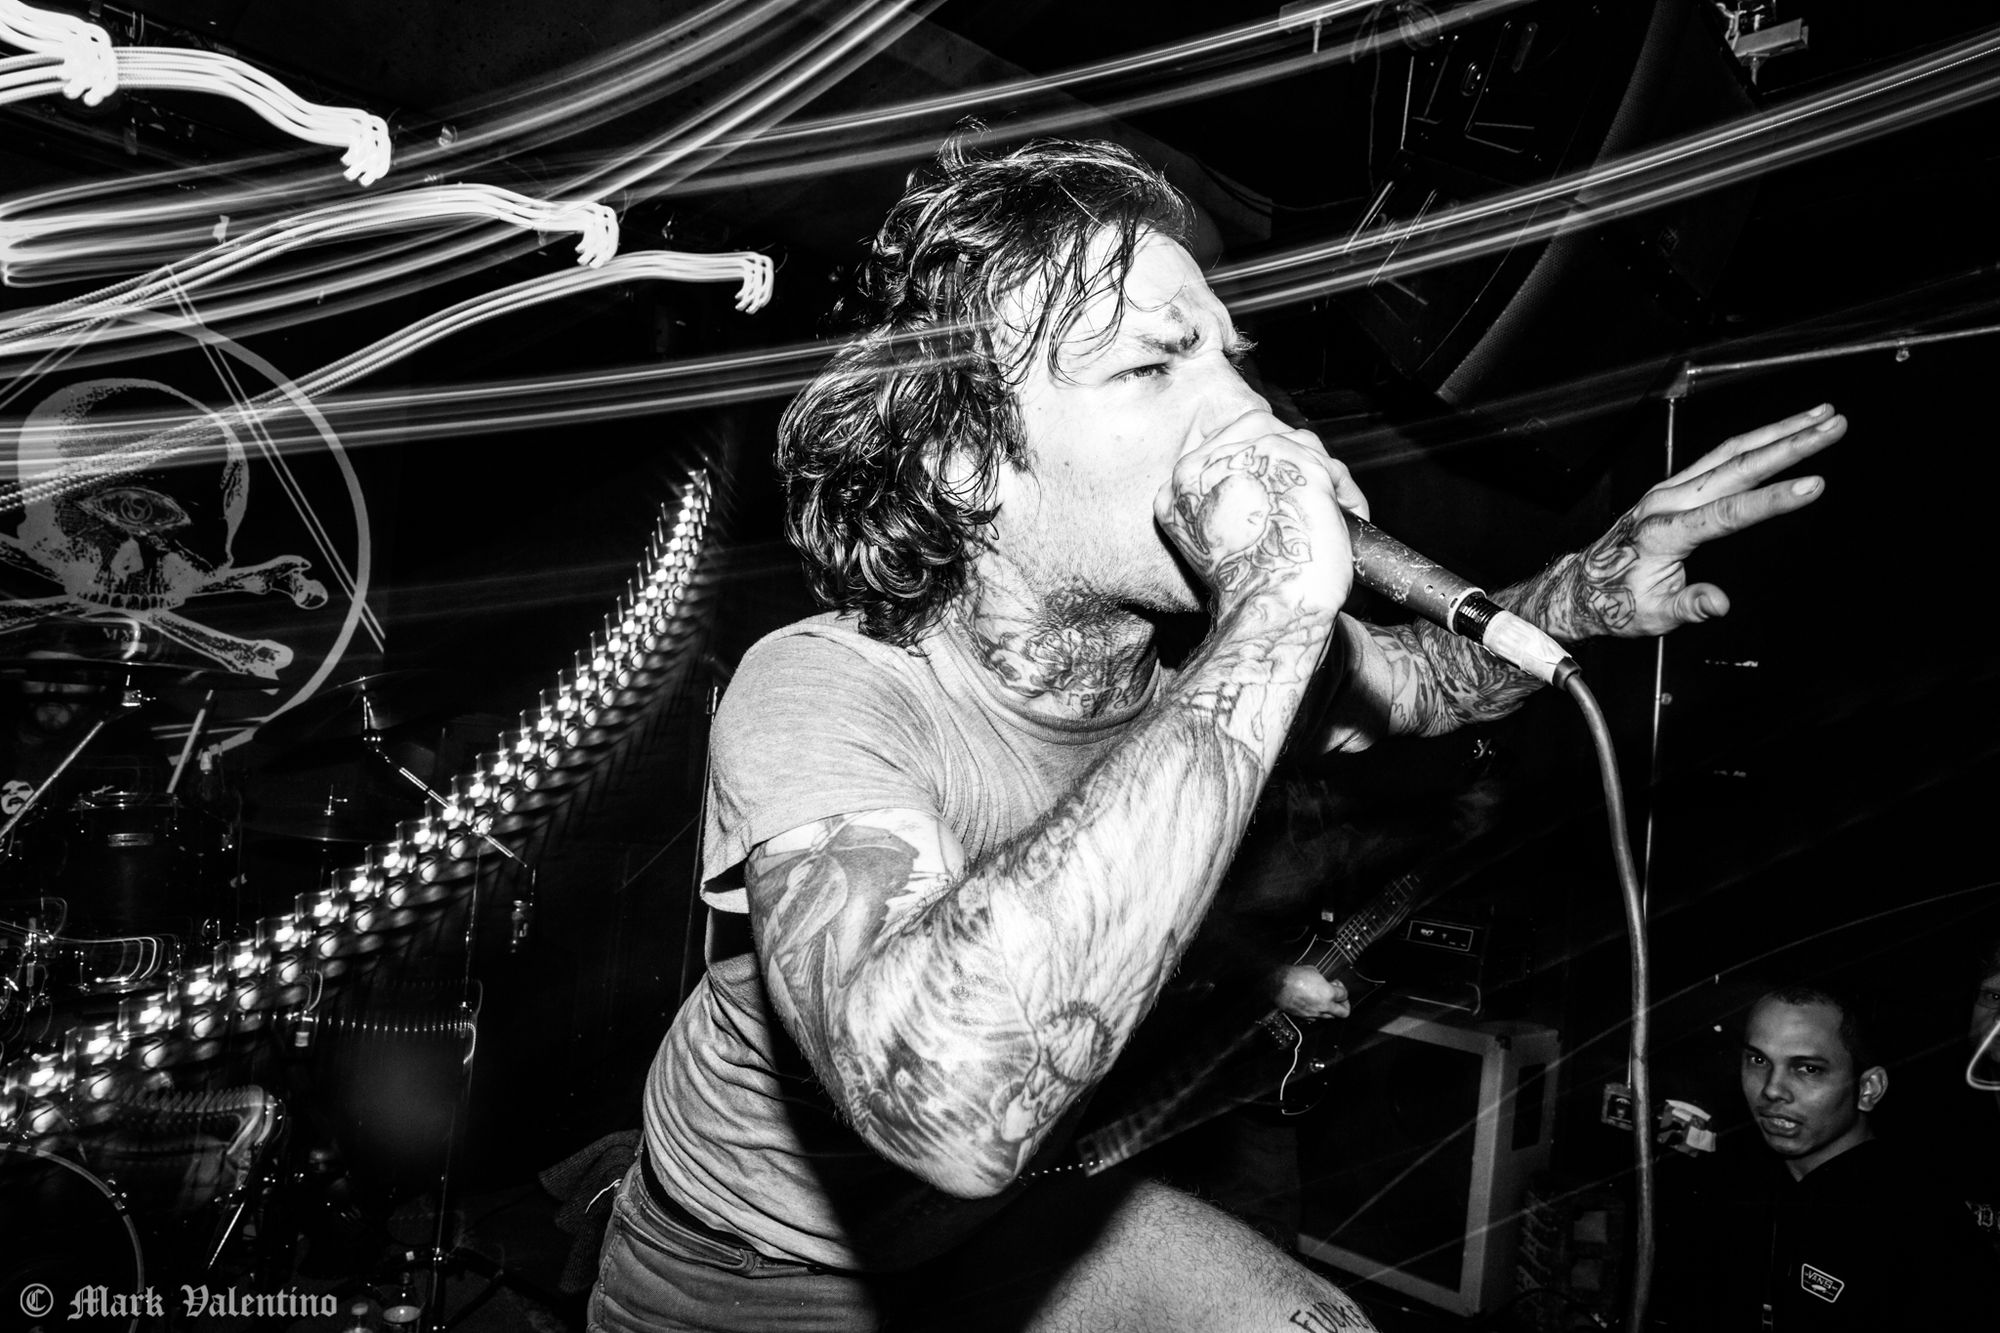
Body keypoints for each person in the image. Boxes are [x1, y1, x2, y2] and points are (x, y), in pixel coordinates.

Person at [587, 132, 1845, 1333]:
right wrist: (1274, 606)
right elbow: (948, 1102)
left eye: (1231, 363)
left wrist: (1584, 591)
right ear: (970, 463)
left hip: (1010, 1237)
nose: (1252, 418)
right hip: (742, 1273)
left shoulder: (1214, 666)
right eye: (1152, 366)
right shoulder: (823, 685)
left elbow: (1421, 683)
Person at [1665, 983, 1993, 1330]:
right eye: (1758, 1060)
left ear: (1868, 1089)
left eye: (1807, 1069)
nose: (1772, 1089)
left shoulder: (1921, 1223)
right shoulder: (1732, 1188)